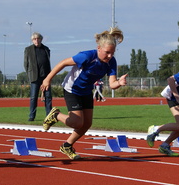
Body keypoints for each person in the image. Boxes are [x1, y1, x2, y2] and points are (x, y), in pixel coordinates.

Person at [41, 27, 128, 160]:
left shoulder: (111, 62)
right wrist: (47, 79)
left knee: (87, 124)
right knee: (77, 122)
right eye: (107, 52)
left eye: (112, 53)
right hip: (72, 89)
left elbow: (112, 84)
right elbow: (64, 63)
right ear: (99, 48)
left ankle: (67, 146)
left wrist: (119, 83)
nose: (110, 56)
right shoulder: (87, 56)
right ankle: (56, 115)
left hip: (87, 91)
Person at [23, 32, 52, 121]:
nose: (36, 40)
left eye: (38, 38)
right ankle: (32, 116)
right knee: (33, 97)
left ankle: (49, 116)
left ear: (41, 39)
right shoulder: (28, 49)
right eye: (34, 39)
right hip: (34, 77)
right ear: (32, 40)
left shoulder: (46, 49)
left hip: (46, 77)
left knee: (48, 97)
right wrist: (29, 74)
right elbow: (25, 64)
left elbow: (47, 62)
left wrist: (49, 76)